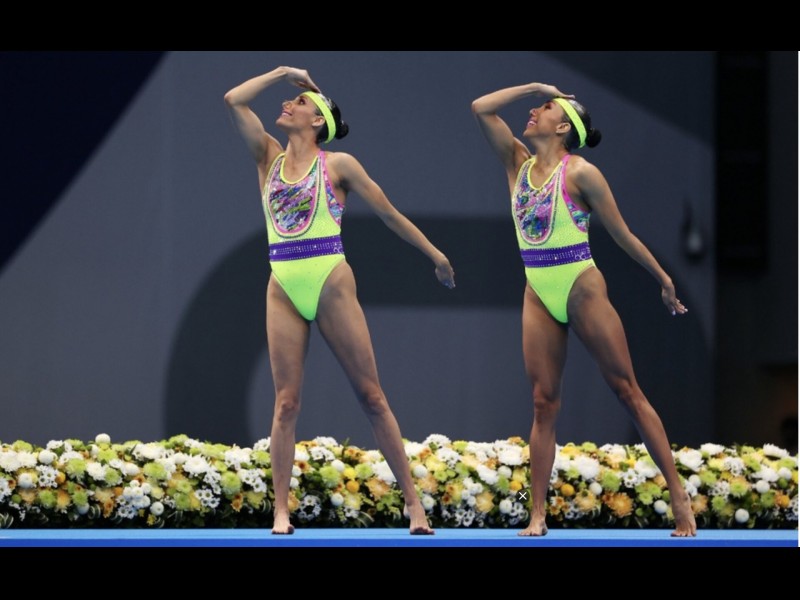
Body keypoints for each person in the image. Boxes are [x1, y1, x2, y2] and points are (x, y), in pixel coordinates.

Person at [224, 66, 455, 534]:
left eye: (300, 102)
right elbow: (234, 99)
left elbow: (388, 213)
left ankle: (413, 504)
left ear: (318, 122)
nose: (288, 103)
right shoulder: (267, 156)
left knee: (372, 396)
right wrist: (284, 73)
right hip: (283, 285)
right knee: (286, 404)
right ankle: (281, 511)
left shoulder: (338, 165)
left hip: (329, 280)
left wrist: (436, 255)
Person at [471, 82, 697, 537]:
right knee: (543, 403)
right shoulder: (517, 162)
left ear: (564, 128)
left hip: (580, 285)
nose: (534, 111)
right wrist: (535, 87)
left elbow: (622, 234)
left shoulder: (581, 174)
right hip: (538, 290)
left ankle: (678, 494)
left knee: (627, 390)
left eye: (545, 108)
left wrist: (663, 278)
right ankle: (537, 514)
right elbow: (481, 107)